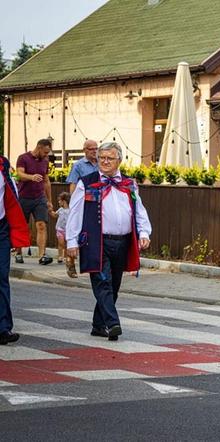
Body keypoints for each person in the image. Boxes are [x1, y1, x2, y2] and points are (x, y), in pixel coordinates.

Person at [66, 142, 152, 341]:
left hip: (122, 242)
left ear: (119, 160)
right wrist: (71, 241)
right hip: (96, 242)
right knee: (103, 282)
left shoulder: (129, 184)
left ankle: (98, 325)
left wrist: (144, 233)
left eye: (109, 158)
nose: (104, 161)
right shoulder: (86, 182)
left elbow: (138, 209)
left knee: (114, 286)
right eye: (101, 158)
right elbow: (75, 212)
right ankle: (112, 323)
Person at [0, 155, 31, 345]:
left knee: (2, 277)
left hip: (1, 229)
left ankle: (3, 328)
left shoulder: (3, 164)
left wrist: (15, 230)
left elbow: (11, 194)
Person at [15, 138, 54, 265]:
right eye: (45, 152)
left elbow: (46, 181)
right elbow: (19, 174)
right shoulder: (23, 158)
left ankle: (42, 255)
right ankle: (18, 252)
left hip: (39, 198)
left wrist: (49, 200)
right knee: (22, 226)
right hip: (24, 197)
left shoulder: (45, 161)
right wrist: (31, 177)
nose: (46, 155)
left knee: (41, 225)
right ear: (39, 148)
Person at [49, 191, 77, 277]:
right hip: (60, 229)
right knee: (61, 243)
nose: (58, 202)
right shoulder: (60, 210)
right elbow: (55, 215)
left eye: (60, 200)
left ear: (64, 201)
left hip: (68, 230)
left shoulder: (71, 210)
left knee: (67, 244)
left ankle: (66, 257)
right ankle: (60, 256)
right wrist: (50, 211)